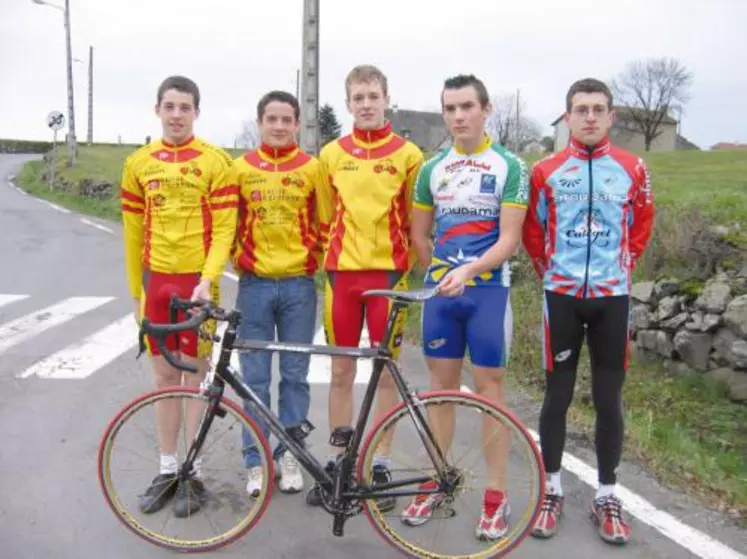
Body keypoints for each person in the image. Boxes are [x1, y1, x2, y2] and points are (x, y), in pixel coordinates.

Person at [522, 77, 655, 545]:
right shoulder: (546, 170)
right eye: (582, 109)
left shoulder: (633, 168)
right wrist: (549, 271)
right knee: (556, 397)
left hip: (612, 299)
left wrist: (622, 266)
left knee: (607, 400)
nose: (591, 117)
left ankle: (607, 495)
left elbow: (641, 223)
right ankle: (552, 490)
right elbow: (533, 232)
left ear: (612, 116)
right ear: (569, 116)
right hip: (560, 296)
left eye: (599, 109)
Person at [406, 74, 528, 541]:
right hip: (442, 296)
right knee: (439, 390)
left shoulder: (509, 165)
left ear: (486, 109)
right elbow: (420, 234)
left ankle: (495, 495)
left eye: (466, 107)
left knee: (489, 393)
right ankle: (437, 478)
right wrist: (437, 274)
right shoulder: (430, 167)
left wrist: (468, 272)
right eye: (450, 108)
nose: (458, 116)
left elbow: (510, 240)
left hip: (487, 294)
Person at [306, 64, 424, 511]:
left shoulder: (410, 155)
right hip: (343, 277)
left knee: (385, 370)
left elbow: (417, 220)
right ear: (349, 102)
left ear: (386, 98)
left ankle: (382, 462)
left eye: (373, 95)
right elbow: (325, 215)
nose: (367, 104)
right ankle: (340, 461)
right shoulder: (332, 155)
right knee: (340, 372)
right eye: (358, 98)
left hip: (388, 278)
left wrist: (404, 267)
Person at [120, 75, 239, 517]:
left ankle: (195, 472)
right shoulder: (138, 162)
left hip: (195, 285)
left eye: (184, 107)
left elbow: (225, 226)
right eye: (169, 107)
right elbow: (132, 235)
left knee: (196, 380)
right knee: (163, 380)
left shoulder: (216, 161)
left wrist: (209, 278)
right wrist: (137, 294)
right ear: (157, 110)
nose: (176, 115)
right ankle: (167, 468)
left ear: (196, 112)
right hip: (157, 283)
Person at [232, 90, 325, 497]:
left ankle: (290, 453)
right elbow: (229, 223)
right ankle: (254, 461)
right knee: (253, 378)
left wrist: (309, 261)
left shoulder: (312, 168)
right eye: (272, 118)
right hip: (252, 286)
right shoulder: (239, 169)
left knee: (294, 377)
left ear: (297, 124)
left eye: (287, 119)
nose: (280, 126)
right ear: (260, 122)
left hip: (298, 288)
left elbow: (325, 222)